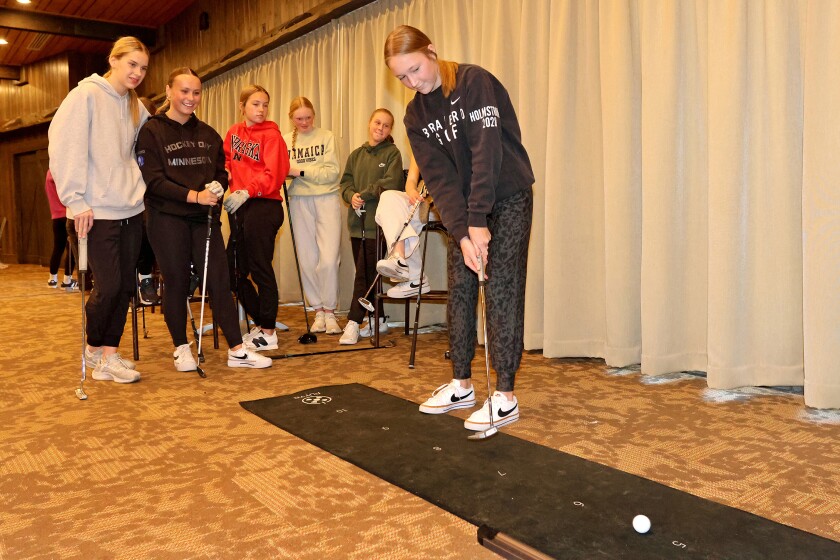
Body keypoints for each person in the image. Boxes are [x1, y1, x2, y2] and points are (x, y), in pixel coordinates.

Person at [384, 25, 535, 432]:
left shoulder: (473, 82)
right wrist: (464, 232)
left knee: (501, 289)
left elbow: (487, 151)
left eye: (416, 69)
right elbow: (440, 179)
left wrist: (479, 219)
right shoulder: (415, 116)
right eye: (402, 77)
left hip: (508, 195)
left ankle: (505, 395)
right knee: (461, 289)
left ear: (431, 51)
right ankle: (462, 384)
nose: (413, 82)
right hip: (465, 209)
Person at [135, 67, 271, 371]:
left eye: (196, 92)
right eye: (184, 91)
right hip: (167, 219)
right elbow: (153, 181)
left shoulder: (209, 134)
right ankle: (181, 347)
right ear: (169, 91)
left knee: (220, 281)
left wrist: (218, 186)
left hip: (203, 219)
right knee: (177, 282)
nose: (190, 98)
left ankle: (237, 350)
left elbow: (221, 172)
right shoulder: (151, 131)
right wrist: (194, 196)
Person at [48, 36, 151, 384]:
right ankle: (93, 347)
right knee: (108, 286)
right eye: (132, 64)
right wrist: (76, 201)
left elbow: (152, 143)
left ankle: (109, 355)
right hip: (95, 211)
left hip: (131, 208)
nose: (137, 73)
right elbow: (65, 148)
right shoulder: (86, 96)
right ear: (114, 59)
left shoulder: (136, 106)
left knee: (125, 288)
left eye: (143, 68)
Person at [223, 84, 290, 351]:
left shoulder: (272, 135)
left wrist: (248, 190)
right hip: (239, 207)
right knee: (232, 272)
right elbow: (226, 160)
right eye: (255, 104)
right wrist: (225, 174)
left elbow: (275, 173)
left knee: (260, 267)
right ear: (242, 106)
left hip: (263, 205)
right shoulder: (233, 132)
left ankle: (268, 331)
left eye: (265, 104)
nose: (261, 109)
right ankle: (262, 322)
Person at [338, 108, 405, 345]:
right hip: (357, 225)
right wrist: (351, 196)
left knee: (363, 275)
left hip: (378, 225)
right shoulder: (356, 155)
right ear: (369, 123)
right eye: (377, 123)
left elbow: (392, 182)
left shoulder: (392, 153)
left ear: (390, 130)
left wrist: (364, 194)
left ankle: (353, 321)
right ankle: (379, 319)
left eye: (386, 125)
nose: (381, 128)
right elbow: (345, 183)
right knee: (369, 274)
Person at [282, 97, 343, 335]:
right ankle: (318, 310)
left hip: (326, 198)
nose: (304, 122)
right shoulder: (285, 140)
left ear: (314, 115)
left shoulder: (326, 136)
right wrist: (300, 173)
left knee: (329, 259)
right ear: (291, 118)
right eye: (299, 118)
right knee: (307, 258)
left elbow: (332, 173)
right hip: (299, 200)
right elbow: (281, 171)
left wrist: (299, 171)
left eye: (308, 117)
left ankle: (330, 311)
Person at [374, 156, 430, 299]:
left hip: (446, 204)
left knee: (401, 216)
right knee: (388, 197)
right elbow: (411, 181)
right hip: (422, 199)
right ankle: (399, 259)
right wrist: (412, 192)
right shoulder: (418, 145)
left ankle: (415, 276)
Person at [44, 169, 77, 289]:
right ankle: (67, 280)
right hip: (68, 214)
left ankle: (52, 279)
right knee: (72, 248)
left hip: (56, 216)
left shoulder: (48, 174)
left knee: (58, 248)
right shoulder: (61, 172)